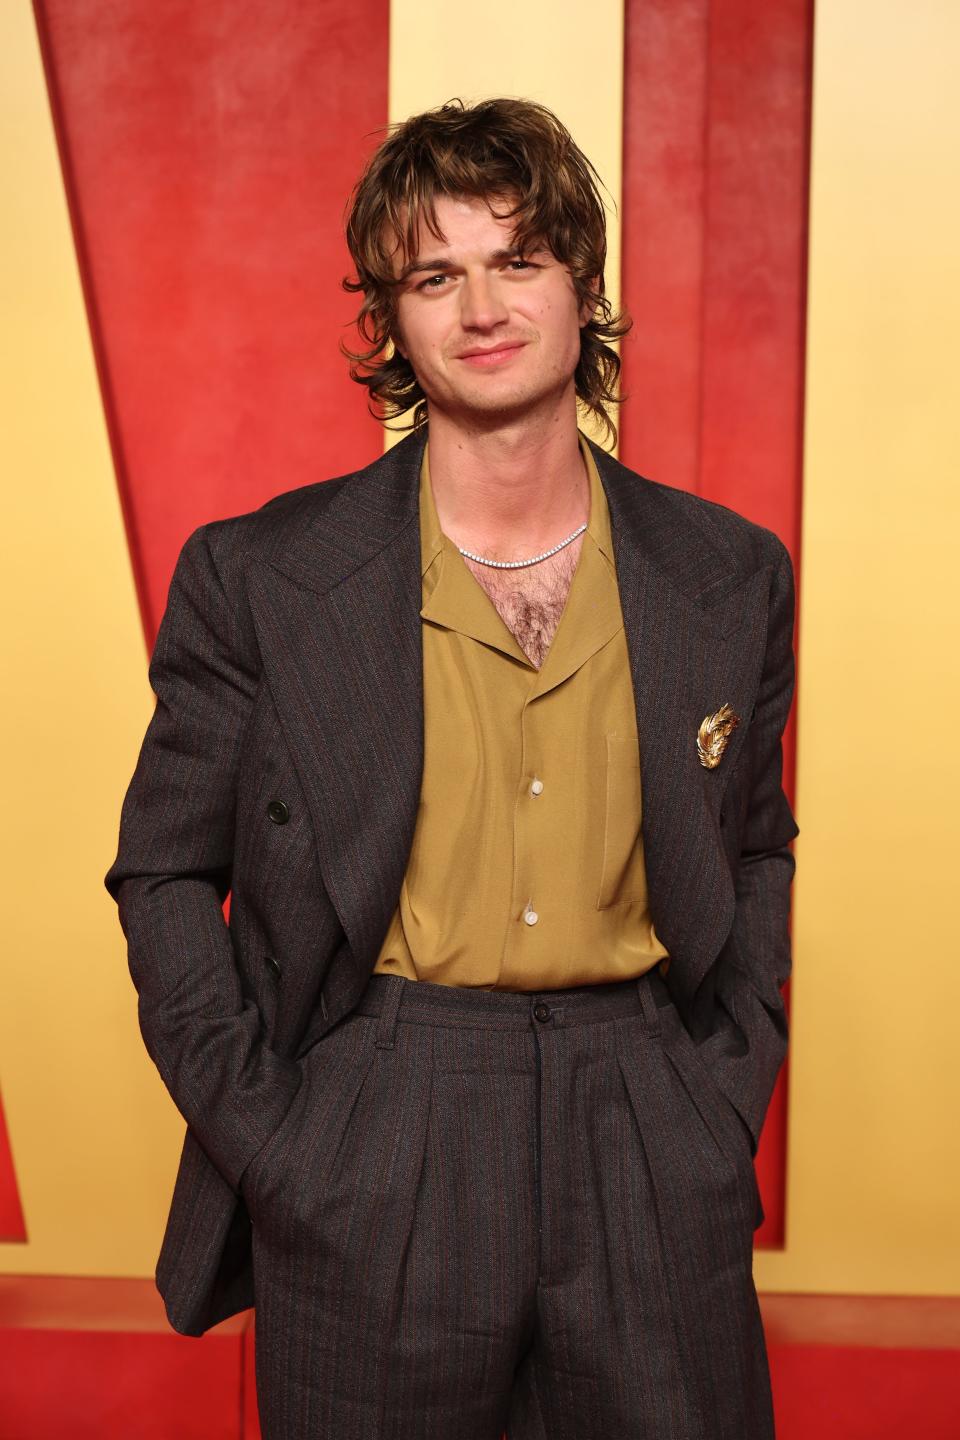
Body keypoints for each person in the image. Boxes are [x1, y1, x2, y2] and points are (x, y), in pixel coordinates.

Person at [105, 96, 798, 1440]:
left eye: (518, 260)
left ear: (582, 285)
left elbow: (756, 844)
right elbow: (166, 873)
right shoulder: (258, 578)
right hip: (379, 1117)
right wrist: (280, 1143)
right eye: (436, 273)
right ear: (391, 316)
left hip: (646, 1111)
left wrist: (719, 1103)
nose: (481, 306)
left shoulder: (727, 575)